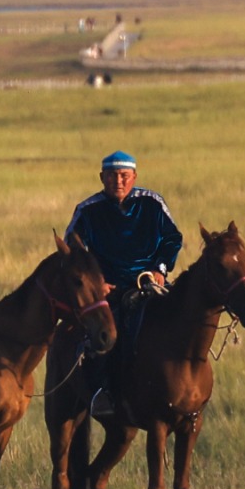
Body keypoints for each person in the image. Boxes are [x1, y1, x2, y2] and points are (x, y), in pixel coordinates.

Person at [65, 150, 182, 417]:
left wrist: (160, 269)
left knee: (185, 320)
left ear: (134, 177)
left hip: (150, 285)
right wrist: (97, 286)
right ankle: (103, 391)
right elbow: (74, 254)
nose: (118, 181)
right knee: (107, 335)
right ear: (101, 177)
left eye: (124, 176)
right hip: (110, 290)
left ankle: (189, 387)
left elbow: (172, 238)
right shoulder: (87, 211)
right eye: (112, 175)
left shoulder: (152, 204)